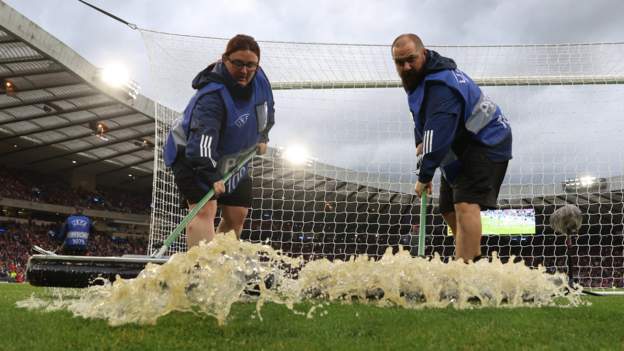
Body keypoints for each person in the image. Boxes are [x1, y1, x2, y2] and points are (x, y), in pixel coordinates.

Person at [391, 33, 512, 262]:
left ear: (423, 54)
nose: (406, 66)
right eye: (399, 62)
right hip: (460, 143)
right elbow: (421, 118)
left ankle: (473, 270)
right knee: (447, 208)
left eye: (411, 59)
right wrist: (419, 143)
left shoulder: (440, 84)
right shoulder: (418, 79)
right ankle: (463, 260)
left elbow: (438, 137)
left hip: (486, 139)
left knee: (465, 202)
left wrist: (424, 176)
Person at [164, 34, 275, 248]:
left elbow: (268, 108)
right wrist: (210, 174)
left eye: (251, 65)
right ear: (225, 59)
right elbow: (201, 142)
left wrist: (263, 136)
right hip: (192, 153)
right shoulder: (212, 96)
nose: (244, 71)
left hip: (232, 155)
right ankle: (200, 275)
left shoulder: (260, 79)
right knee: (205, 209)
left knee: (237, 214)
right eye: (238, 63)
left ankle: (218, 267)